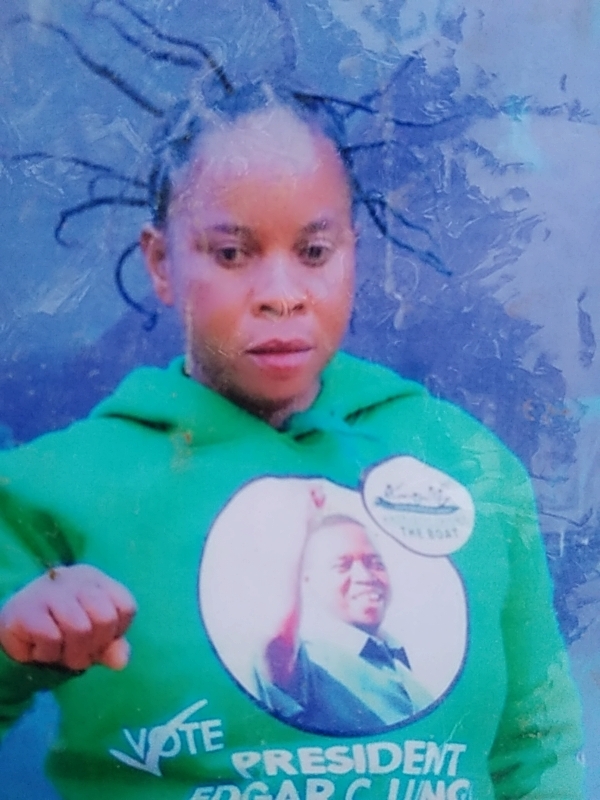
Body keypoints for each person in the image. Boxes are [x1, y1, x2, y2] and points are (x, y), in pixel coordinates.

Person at [0, 82, 584, 799]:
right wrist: (13, 648)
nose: (281, 293)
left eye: (313, 250)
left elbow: (536, 751)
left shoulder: (466, 463)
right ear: (160, 263)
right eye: (231, 252)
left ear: (352, 254)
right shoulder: (53, 486)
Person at [256, 514, 433, 734]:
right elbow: (278, 640)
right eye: (343, 566)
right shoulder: (308, 664)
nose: (365, 576)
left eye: (375, 564)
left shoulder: (408, 670)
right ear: (307, 580)